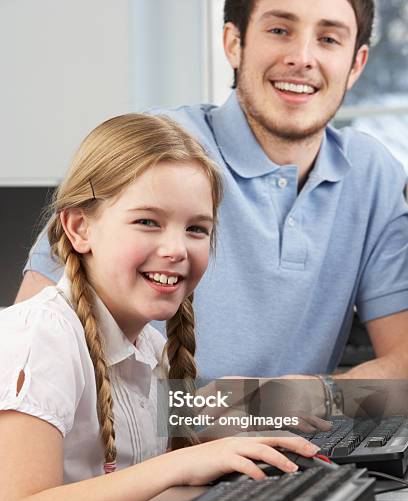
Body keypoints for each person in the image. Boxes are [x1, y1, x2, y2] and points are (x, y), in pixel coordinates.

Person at [0, 114, 320, 501]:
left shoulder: (147, 344)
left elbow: (179, 421)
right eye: (148, 222)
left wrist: (260, 404)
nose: (176, 249)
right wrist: (178, 466)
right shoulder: (40, 335)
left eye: (197, 229)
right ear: (79, 228)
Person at [16, 0, 408, 383]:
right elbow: (27, 355)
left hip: (293, 441)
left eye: (328, 39)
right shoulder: (160, 147)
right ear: (234, 43)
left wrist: (293, 401)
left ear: (356, 64)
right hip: (145, 445)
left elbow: (402, 366)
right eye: (279, 30)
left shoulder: (373, 173)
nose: (302, 57)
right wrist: (226, 415)